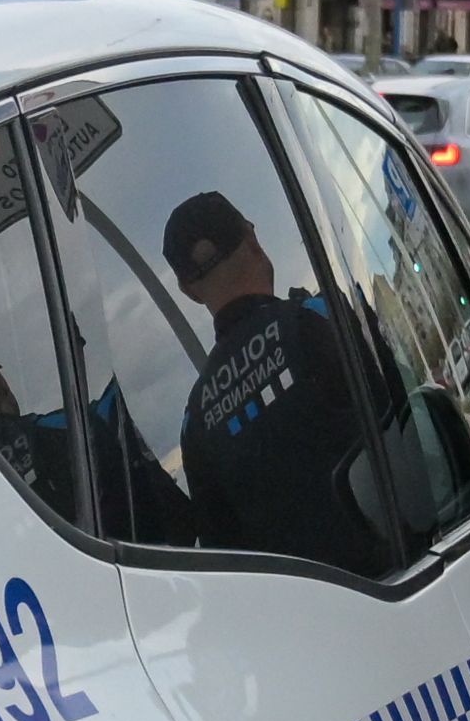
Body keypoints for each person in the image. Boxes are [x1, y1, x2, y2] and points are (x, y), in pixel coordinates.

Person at [151, 188, 392, 567]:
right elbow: (406, 417)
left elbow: (226, 559)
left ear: (188, 291)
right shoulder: (319, 318)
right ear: (252, 238)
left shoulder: (195, 423)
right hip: (398, 578)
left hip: (302, 620)